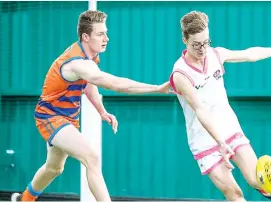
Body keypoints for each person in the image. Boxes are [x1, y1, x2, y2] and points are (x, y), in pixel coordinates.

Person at [11, 10, 171, 202]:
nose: (107, 38)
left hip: (67, 118)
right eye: (100, 34)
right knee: (92, 158)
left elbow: (87, 85)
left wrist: (102, 111)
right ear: (86, 37)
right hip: (50, 117)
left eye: (106, 32)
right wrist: (155, 88)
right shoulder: (77, 63)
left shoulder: (90, 58)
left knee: (54, 168)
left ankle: (24, 199)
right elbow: (115, 84)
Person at [169, 11, 271, 202]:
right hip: (204, 140)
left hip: (229, 128)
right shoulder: (181, 74)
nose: (202, 49)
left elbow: (250, 54)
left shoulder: (216, 55)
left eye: (206, 42)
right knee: (235, 193)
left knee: (258, 180)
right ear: (184, 40)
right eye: (196, 44)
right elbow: (200, 110)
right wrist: (221, 143)